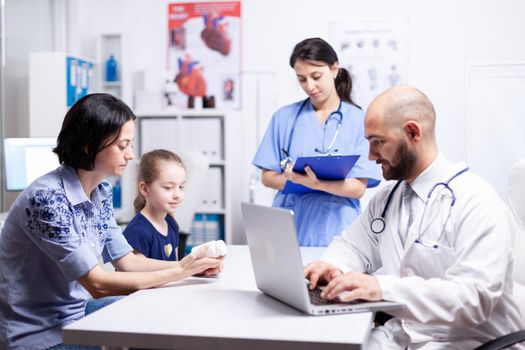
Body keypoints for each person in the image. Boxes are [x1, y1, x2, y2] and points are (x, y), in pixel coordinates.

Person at [304, 85, 522, 349]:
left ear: (412, 132)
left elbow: (474, 299)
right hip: (404, 335)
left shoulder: (477, 201)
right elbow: (352, 246)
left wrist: (381, 289)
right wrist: (333, 265)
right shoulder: (387, 199)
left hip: (471, 341)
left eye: (378, 142)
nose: (371, 155)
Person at [0, 93, 223, 350]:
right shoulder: (47, 199)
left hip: (76, 313)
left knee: (164, 313)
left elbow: (129, 262)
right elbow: (97, 284)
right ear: (88, 145)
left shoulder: (101, 192)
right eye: (122, 145)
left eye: (131, 144)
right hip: (39, 333)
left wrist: (191, 266)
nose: (130, 155)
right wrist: (181, 271)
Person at [252, 37, 381, 247]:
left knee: (336, 278)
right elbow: (267, 177)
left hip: (338, 226)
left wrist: (312, 183)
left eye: (316, 76)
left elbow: (358, 188)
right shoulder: (284, 118)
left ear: (334, 70)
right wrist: (304, 181)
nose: (309, 86)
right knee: (286, 279)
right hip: (287, 225)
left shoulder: (359, 120)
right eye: (302, 79)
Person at [123, 149, 185, 261]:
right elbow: (135, 275)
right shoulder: (137, 231)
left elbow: (175, 268)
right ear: (145, 189)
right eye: (168, 187)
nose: (177, 195)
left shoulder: (171, 224)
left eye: (181, 187)